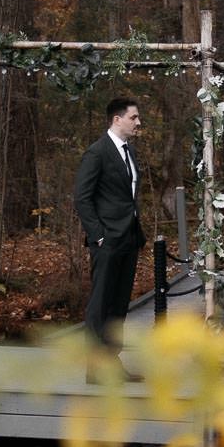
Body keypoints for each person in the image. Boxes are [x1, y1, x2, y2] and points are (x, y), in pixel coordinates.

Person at [73, 97, 145, 376]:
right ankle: (94, 368)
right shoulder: (97, 153)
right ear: (117, 119)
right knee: (101, 303)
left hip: (129, 237)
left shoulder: (129, 152)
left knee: (119, 303)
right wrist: (98, 236)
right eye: (134, 117)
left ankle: (111, 362)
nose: (138, 122)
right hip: (107, 240)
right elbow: (82, 197)